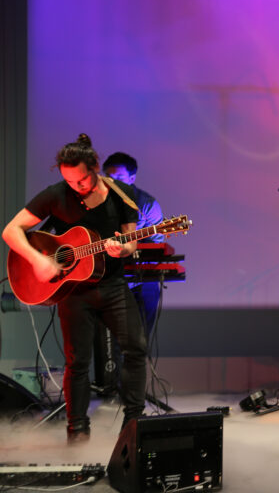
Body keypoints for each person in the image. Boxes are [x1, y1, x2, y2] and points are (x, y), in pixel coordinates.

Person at [2, 134, 147, 443]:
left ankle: (134, 422)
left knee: (136, 348)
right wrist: (38, 260)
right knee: (77, 361)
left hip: (112, 285)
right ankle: (77, 430)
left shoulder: (123, 194)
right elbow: (11, 230)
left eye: (81, 180)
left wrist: (122, 249)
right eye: (69, 181)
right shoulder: (56, 194)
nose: (76, 186)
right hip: (73, 291)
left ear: (95, 167)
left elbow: (131, 242)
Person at [103, 152, 165, 337]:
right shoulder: (94, 202)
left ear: (132, 178)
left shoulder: (146, 205)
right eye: (108, 178)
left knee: (139, 337)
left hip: (138, 276)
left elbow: (155, 247)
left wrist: (130, 247)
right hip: (104, 276)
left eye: (119, 178)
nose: (113, 183)